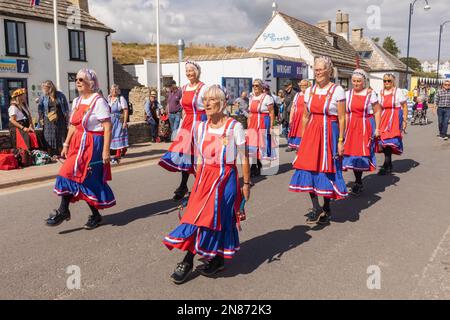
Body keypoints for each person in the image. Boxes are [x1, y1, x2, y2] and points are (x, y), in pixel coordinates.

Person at [163, 85, 250, 284]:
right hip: (204, 179)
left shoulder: (233, 127)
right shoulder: (200, 127)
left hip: (225, 180)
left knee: (210, 218)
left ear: (222, 103)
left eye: (212, 100)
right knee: (196, 217)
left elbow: (245, 156)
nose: (207, 103)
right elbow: (200, 158)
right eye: (205, 100)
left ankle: (187, 261)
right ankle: (218, 258)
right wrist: (197, 185)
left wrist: (246, 184)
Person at [46, 68, 115, 230]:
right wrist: (66, 144)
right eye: (76, 79)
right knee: (72, 175)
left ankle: (66, 211)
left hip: (93, 144)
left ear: (91, 83)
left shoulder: (99, 101)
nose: (77, 82)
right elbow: (72, 126)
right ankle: (75, 212)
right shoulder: (76, 101)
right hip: (78, 143)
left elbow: (107, 127)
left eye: (81, 80)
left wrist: (106, 151)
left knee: (80, 178)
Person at [289, 57, 348, 225]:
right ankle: (316, 207)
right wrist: (302, 139)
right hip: (312, 133)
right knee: (308, 168)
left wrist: (341, 140)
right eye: (316, 70)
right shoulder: (310, 91)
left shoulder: (338, 90)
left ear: (329, 71)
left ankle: (327, 207)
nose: (318, 72)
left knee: (327, 169)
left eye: (321, 69)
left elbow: (342, 117)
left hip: (330, 131)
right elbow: (306, 117)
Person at [159, 61, 208, 200]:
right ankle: (183, 185)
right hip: (187, 123)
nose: (188, 73)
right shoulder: (184, 88)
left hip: (200, 122)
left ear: (197, 72)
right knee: (185, 153)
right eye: (187, 71)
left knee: (199, 154)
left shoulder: (204, 88)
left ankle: (201, 184)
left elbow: (209, 108)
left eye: (191, 70)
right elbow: (184, 109)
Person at [342, 69, 381, 196]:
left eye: (359, 81)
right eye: (354, 81)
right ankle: (358, 181)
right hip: (351, 125)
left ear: (364, 82)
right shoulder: (347, 94)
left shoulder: (371, 94)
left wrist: (377, 128)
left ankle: (358, 182)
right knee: (351, 153)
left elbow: (377, 111)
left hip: (364, 125)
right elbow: (346, 113)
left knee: (360, 153)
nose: (356, 83)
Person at [377, 73, 408, 175]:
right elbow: (378, 108)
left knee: (390, 140)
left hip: (395, 117)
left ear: (393, 81)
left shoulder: (397, 91)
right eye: (384, 80)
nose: (386, 82)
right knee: (384, 141)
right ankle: (389, 164)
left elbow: (404, 106)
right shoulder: (381, 92)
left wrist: (404, 120)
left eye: (389, 81)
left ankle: (386, 165)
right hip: (384, 117)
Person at [246, 79, 277, 177]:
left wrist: (271, 126)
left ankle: (256, 166)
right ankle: (254, 166)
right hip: (253, 123)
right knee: (252, 145)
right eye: (253, 85)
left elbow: (272, 112)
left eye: (257, 85)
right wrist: (248, 126)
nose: (255, 87)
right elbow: (250, 113)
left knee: (260, 145)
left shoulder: (267, 98)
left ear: (261, 87)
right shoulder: (251, 98)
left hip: (263, 121)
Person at [38, 81, 70, 157]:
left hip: (60, 119)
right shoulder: (43, 96)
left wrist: (67, 117)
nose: (44, 89)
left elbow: (66, 107)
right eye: (43, 87)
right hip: (48, 120)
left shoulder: (60, 95)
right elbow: (40, 108)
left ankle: (62, 154)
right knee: (48, 137)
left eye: (45, 87)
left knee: (61, 136)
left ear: (50, 87)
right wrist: (41, 118)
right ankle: (50, 155)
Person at [287, 79, 310, 152]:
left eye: (304, 85)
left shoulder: (310, 94)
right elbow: (293, 107)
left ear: (308, 86)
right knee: (296, 131)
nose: (302, 86)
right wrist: (291, 118)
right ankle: (296, 146)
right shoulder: (297, 95)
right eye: (301, 85)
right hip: (297, 116)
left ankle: (302, 146)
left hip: (306, 116)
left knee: (303, 131)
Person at [108, 84, 129, 163]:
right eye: (112, 90)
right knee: (112, 136)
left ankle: (118, 153)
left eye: (114, 90)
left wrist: (125, 122)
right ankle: (123, 149)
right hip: (111, 120)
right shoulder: (109, 98)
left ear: (117, 91)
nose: (113, 91)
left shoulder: (121, 98)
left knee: (118, 135)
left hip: (118, 119)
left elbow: (126, 110)